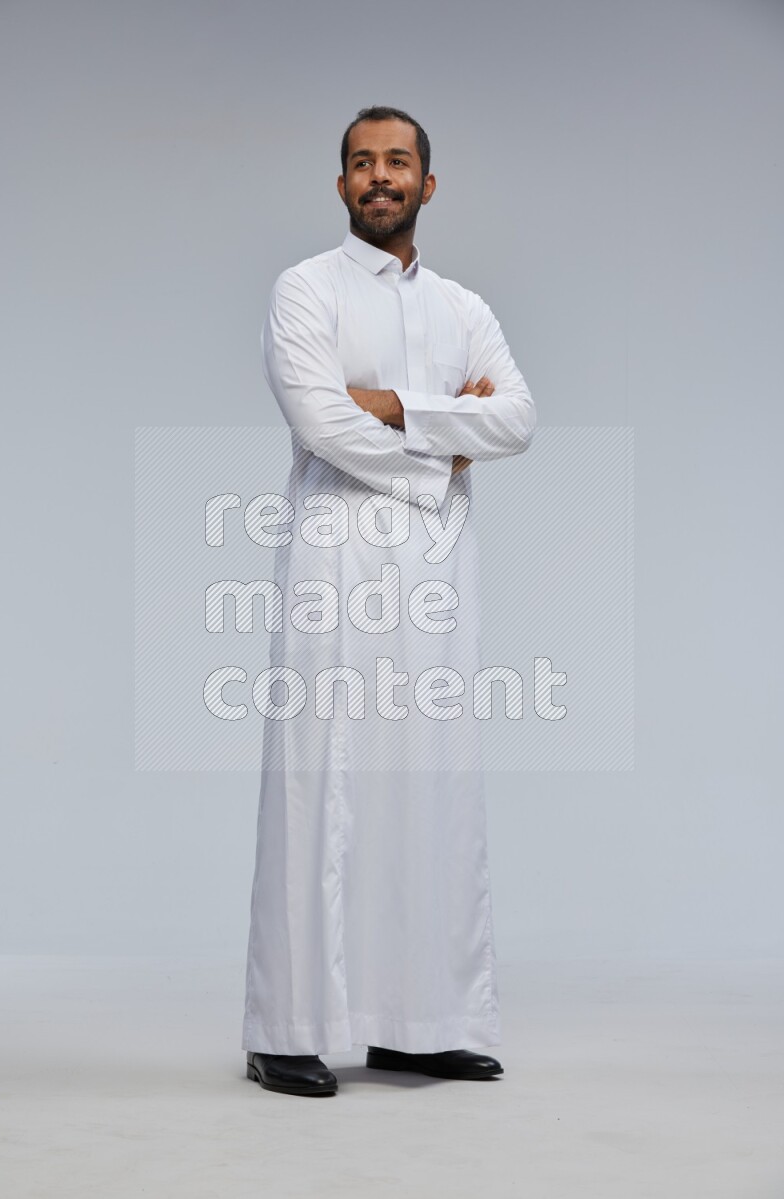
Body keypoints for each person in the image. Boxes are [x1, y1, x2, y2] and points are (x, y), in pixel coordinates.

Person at [242, 105, 536, 1096]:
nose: (379, 176)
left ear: (426, 184)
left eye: (397, 161)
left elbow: (519, 417)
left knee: (430, 785)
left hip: (438, 573)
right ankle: (285, 1026)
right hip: (335, 563)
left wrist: (401, 404)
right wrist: (439, 449)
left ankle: (420, 1022)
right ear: (339, 186)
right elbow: (321, 420)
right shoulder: (305, 290)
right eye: (361, 163)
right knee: (319, 782)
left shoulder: (461, 306)